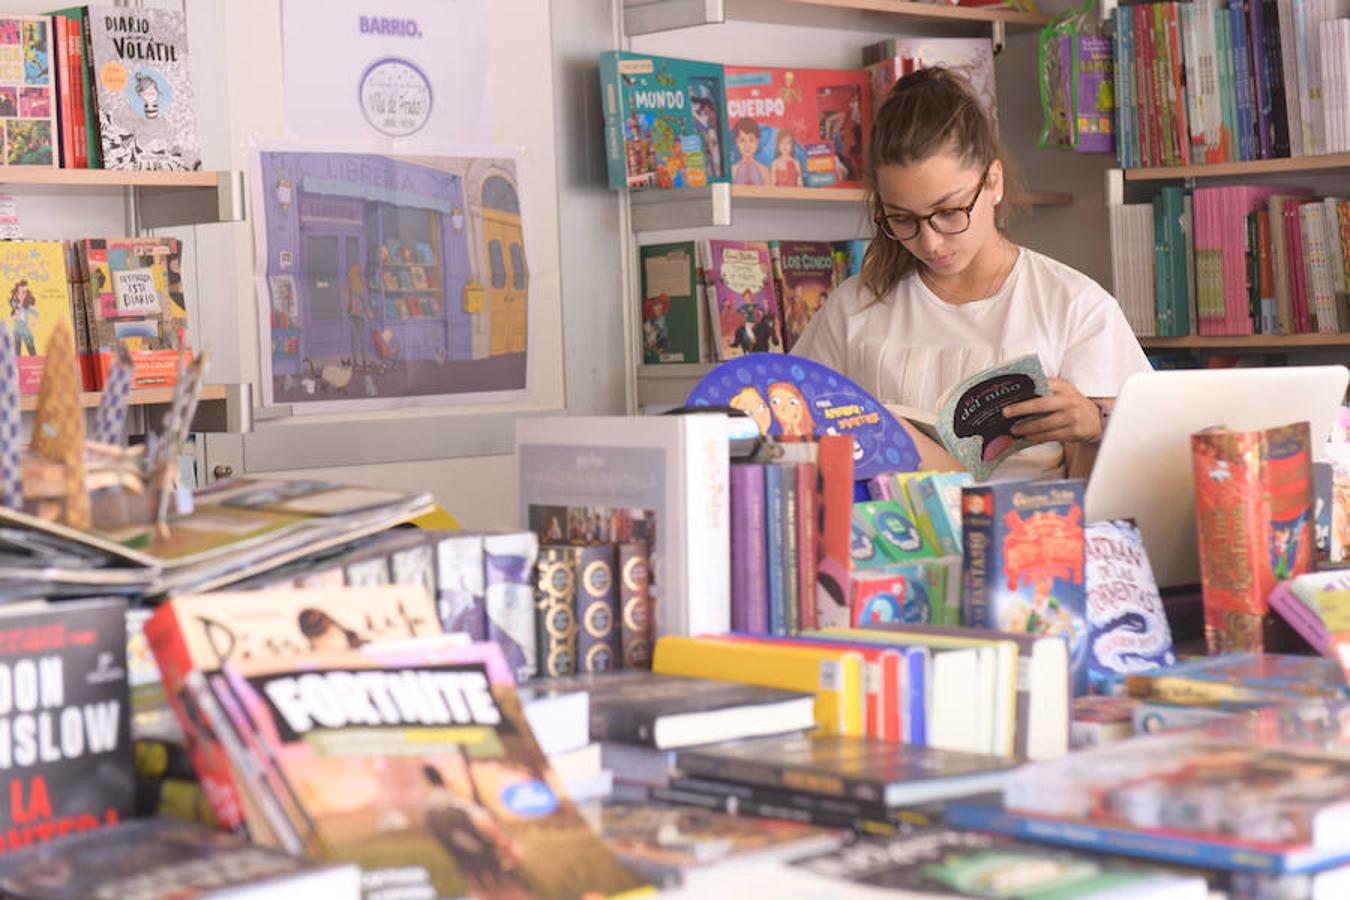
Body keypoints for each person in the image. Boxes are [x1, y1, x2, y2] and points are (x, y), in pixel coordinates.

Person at [792, 67, 1150, 481]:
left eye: (948, 213)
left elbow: (1147, 463)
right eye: (902, 219)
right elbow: (792, 428)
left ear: (993, 182)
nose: (929, 242)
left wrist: (1096, 424)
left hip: (1032, 533)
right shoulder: (855, 306)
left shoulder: (1074, 305)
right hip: (892, 535)